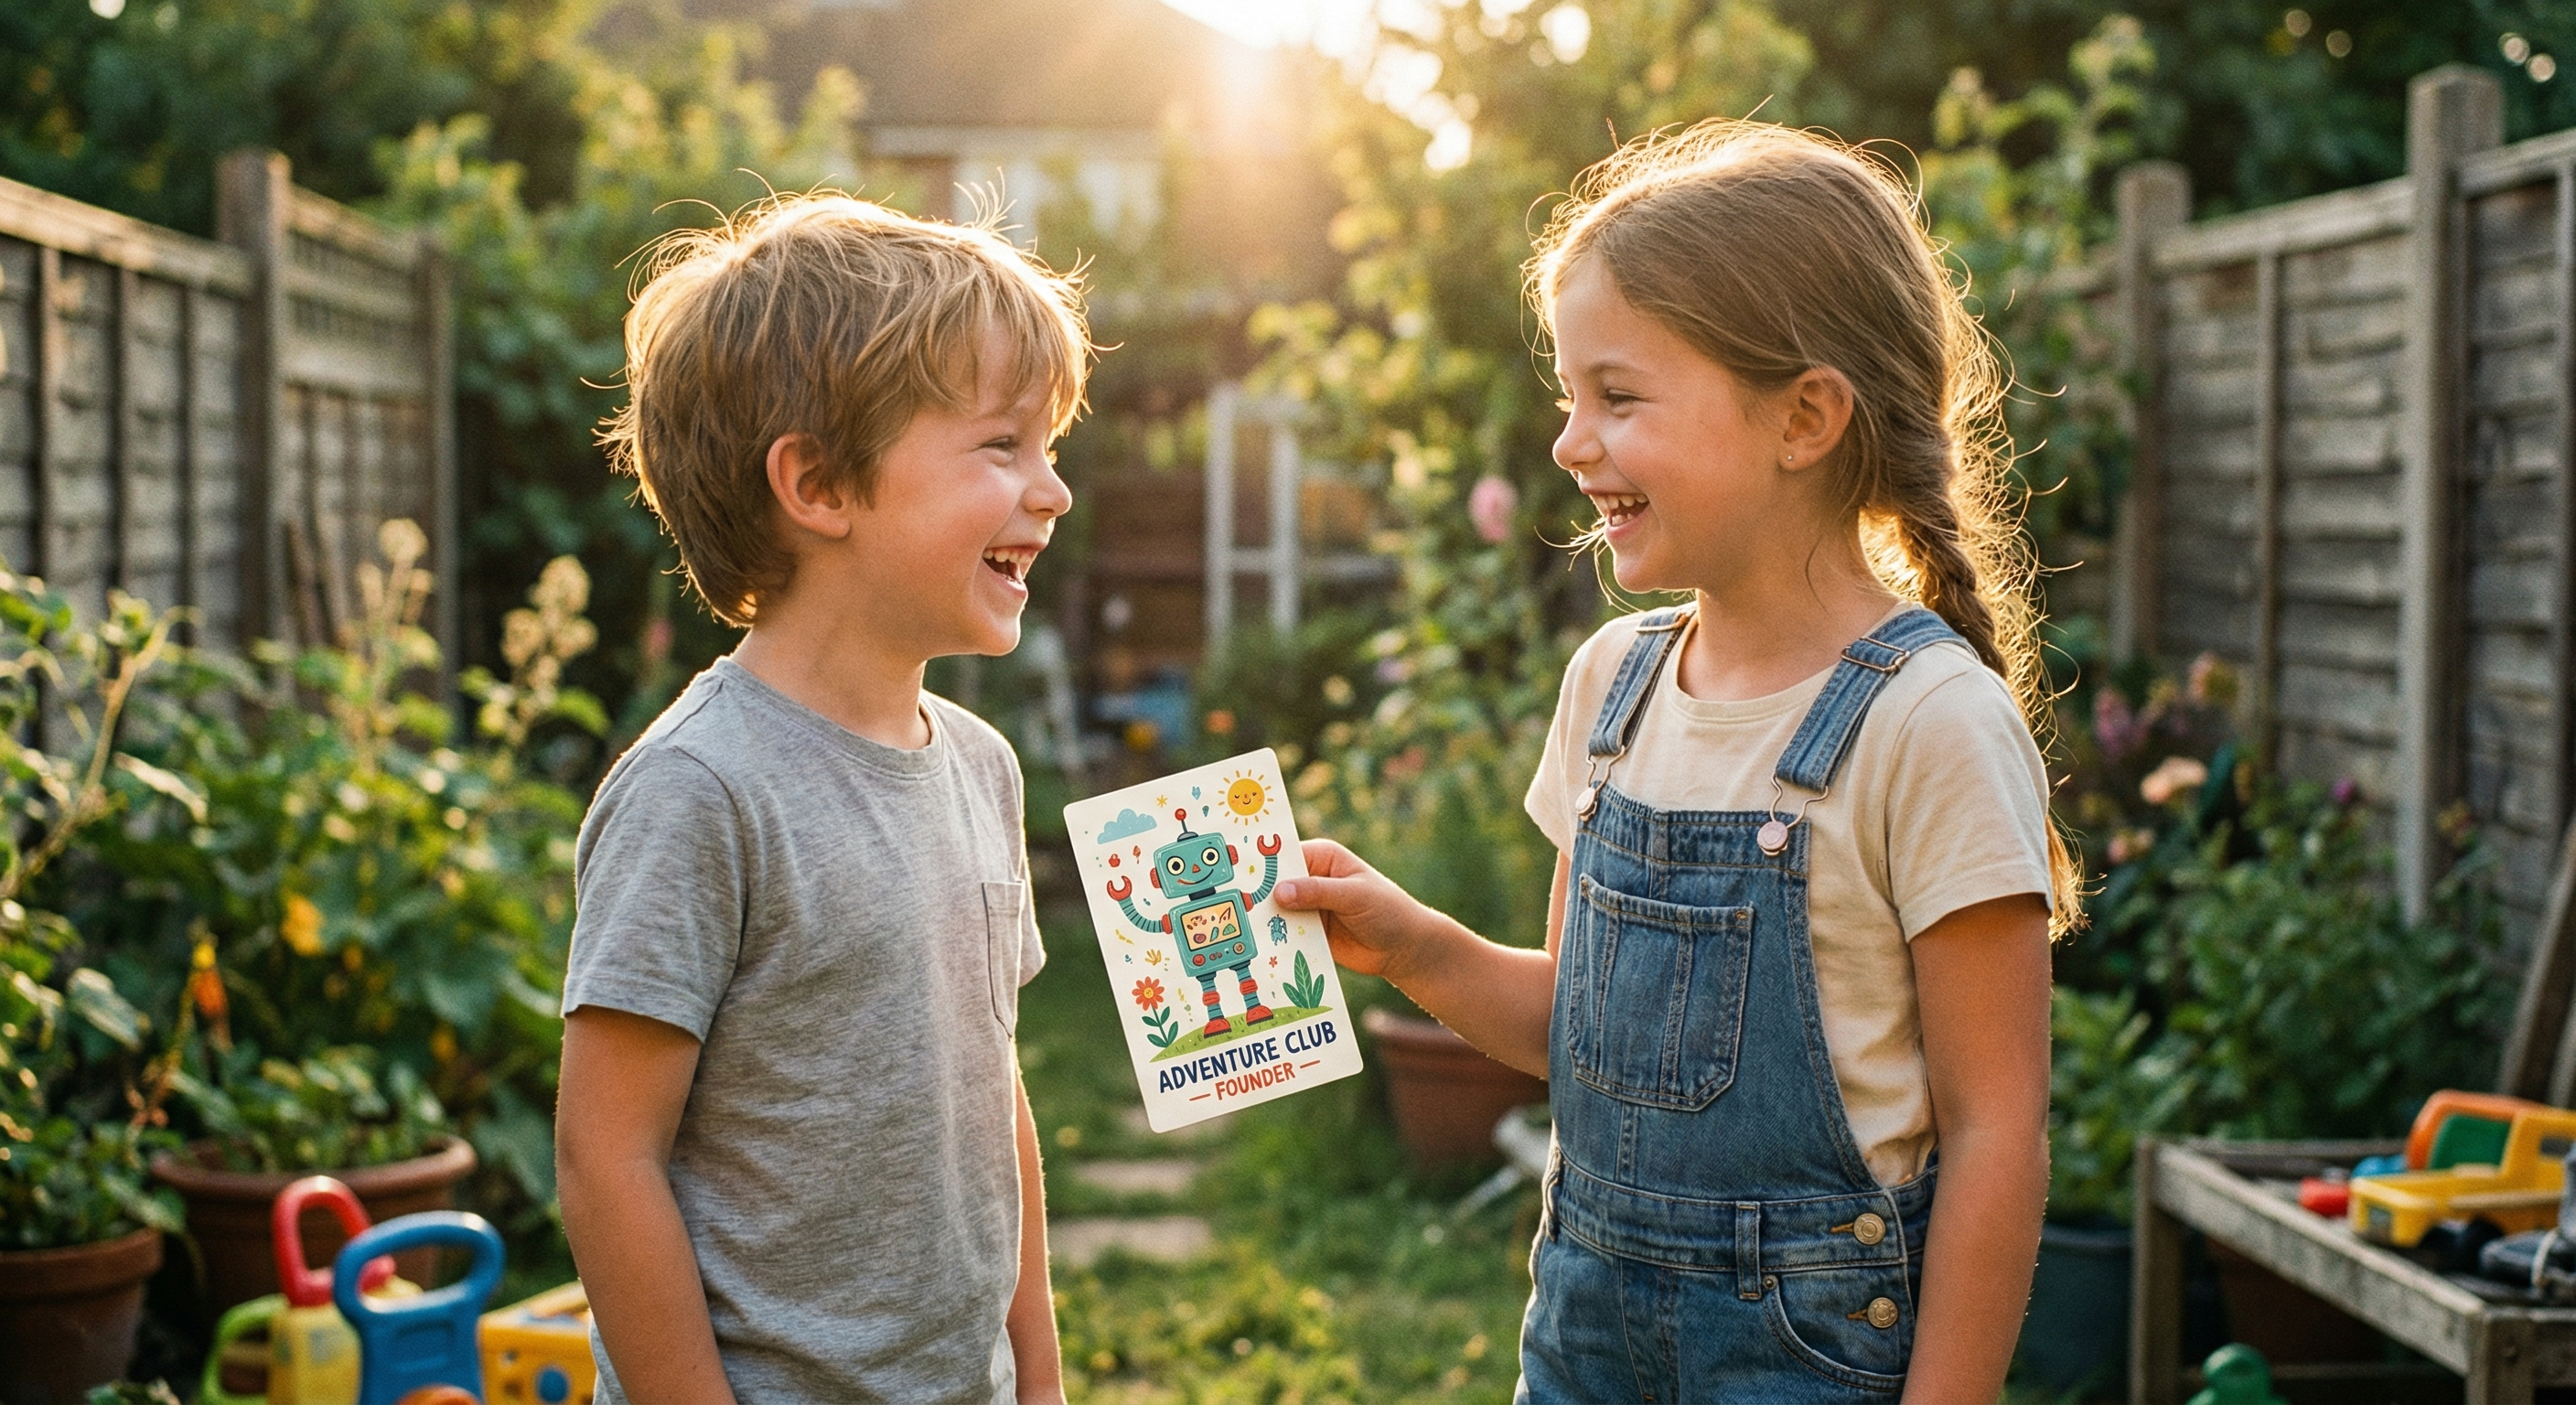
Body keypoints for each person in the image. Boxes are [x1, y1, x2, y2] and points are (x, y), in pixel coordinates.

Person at [1278, 122, 2072, 1403]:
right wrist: (1412, 945)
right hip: (1582, 1346)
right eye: (1568, 397)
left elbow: (1997, 1136)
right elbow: (1578, 1036)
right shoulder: (1614, 686)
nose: (1568, 442)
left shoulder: (1929, 722)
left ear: (1804, 417)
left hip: (1810, 1365)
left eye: (1619, 396)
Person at [553, 194, 1088, 1404]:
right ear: (818, 484)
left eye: (1048, 450)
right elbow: (606, 1158)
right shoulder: (701, 790)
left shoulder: (980, 766)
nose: (1051, 491)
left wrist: (1037, 1380)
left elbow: (991, 1096)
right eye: (1003, 447)